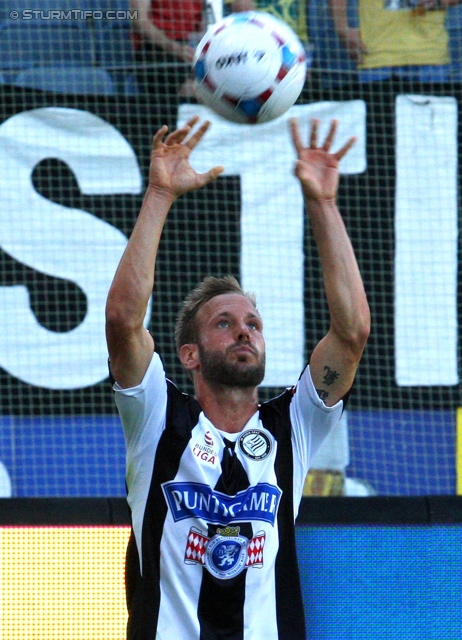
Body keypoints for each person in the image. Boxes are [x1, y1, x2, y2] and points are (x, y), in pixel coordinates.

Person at [105, 115, 370, 638]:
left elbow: (353, 331)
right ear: (190, 355)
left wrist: (323, 203)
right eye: (223, 324)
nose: (244, 333)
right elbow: (122, 321)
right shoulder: (157, 418)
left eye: (252, 323)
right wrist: (160, 193)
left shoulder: (290, 427)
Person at [328, 0, 462, 82]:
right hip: (377, 56)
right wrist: (342, 28)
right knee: (379, 127)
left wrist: (439, 1)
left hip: (430, 56)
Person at [129, 0, 204, 121]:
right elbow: (140, 20)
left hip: (191, 46)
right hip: (156, 48)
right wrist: (175, 48)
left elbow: (203, 20)